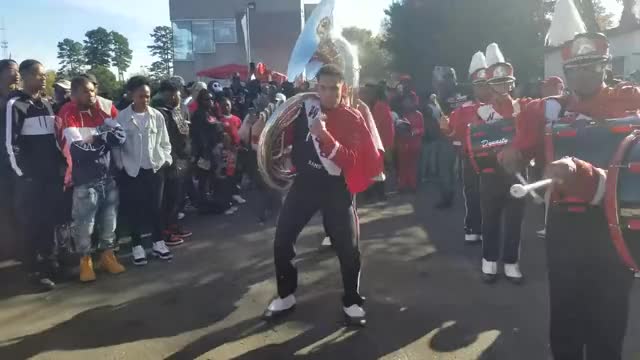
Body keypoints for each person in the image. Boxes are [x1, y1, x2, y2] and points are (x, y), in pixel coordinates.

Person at [499, 32, 638, 360]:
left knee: (610, 316)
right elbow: (522, 150)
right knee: (565, 314)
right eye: (576, 67)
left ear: (605, 65)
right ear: (566, 72)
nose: (584, 73)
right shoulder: (548, 112)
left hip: (615, 225)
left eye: (592, 65)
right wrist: (513, 156)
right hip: (564, 228)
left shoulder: (631, 100)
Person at [263, 64, 382, 326]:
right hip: (304, 185)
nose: (328, 94)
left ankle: (352, 300)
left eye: (334, 89)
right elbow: (281, 138)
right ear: (316, 87)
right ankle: (286, 295)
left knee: (348, 248)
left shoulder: (352, 117)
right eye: (323, 88)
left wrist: (324, 136)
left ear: (343, 90)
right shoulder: (302, 109)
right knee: (282, 239)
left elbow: (351, 161)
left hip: (336, 188)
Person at [59, 76, 126, 282]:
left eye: (93, 91)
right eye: (87, 91)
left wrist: (97, 139)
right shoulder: (67, 113)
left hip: (108, 178)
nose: (92, 94)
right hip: (84, 182)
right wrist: (104, 139)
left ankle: (107, 256)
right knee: (84, 225)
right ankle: (85, 261)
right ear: (75, 93)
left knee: (109, 223)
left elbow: (121, 136)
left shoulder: (101, 111)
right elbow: (78, 151)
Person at [5, 60, 65, 290]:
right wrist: (23, 175)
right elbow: (11, 145)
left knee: (50, 222)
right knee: (31, 225)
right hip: (30, 180)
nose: (43, 79)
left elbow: (55, 140)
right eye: (39, 75)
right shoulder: (15, 105)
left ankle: (51, 264)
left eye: (44, 75)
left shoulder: (46, 105)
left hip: (51, 177)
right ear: (26, 76)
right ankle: (34, 272)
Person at [476, 43, 530, 283]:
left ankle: (511, 262)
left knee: (515, 220)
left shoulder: (524, 108)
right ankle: (489, 261)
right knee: (489, 219)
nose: (501, 88)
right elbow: (466, 140)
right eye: (496, 84)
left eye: (505, 82)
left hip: (517, 172)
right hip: (489, 172)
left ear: (511, 83)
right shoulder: (479, 112)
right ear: (489, 86)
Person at [112, 76, 173, 266]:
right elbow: (117, 145)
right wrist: (120, 164)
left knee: (155, 208)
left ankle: (158, 242)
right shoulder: (122, 117)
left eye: (147, 96)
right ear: (132, 95)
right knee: (134, 209)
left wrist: (165, 159)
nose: (144, 100)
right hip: (131, 170)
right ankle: (137, 245)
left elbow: (164, 142)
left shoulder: (157, 116)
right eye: (140, 96)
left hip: (154, 169)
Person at [448, 51, 492, 243]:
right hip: (471, 158)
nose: (482, 89)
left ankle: (490, 228)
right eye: (478, 85)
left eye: (485, 84)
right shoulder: (463, 108)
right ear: (473, 87)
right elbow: (453, 132)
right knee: (472, 195)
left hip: (493, 158)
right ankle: (473, 227)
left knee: (491, 196)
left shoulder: (501, 106)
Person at [154, 80, 193, 246]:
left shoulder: (176, 111)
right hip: (170, 160)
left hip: (182, 158)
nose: (180, 96)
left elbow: (183, 133)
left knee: (178, 197)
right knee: (169, 198)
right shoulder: (160, 113)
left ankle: (173, 224)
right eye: (178, 93)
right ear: (169, 95)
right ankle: (166, 231)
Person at [191, 91, 236, 215]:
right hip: (205, 153)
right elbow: (199, 136)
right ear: (200, 101)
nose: (210, 101)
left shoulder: (210, 113)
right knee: (204, 181)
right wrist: (205, 154)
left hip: (214, 151)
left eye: (211, 99)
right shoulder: (199, 115)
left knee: (213, 180)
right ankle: (204, 207)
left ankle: (214, 205)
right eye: (206, 99)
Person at [0, 59, 20, 261]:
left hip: (17, 160)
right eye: (12, 70)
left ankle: (18, 247)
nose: (17, 74)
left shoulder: (19, 97)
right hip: (1, 161)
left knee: (18, 204)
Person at [219, 97, 247, 205]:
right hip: (227, 152)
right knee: (228, 174)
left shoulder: (237, 119)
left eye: (227, 104)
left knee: (238, 173)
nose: (226, 107)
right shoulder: (219, 120)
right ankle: (228, 195)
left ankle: (236, 193)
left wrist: (242, 146)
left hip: (238, 150)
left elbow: (242, 133)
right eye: (223, 105)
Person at [396, 92, 424, 192]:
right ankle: (402, 185)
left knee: (412, 166)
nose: (406, 103)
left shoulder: (418, 115)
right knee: (403, 166)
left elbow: (422, 129)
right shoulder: (402, 114)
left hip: (414, 144)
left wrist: (414, 132)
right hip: (403, 144)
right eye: (405, 101)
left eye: (408, 101)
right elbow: (398, 128)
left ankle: (412, 185)